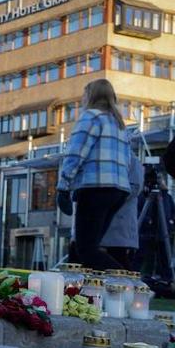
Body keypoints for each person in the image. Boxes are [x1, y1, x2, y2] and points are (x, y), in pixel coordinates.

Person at [55, 79, 134, 271]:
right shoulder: (119, 125)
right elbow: (128, 161)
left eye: (84, 94)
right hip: (118, 190)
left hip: (95, 188)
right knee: (89, 248)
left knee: (86, 250)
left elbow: (75, 153)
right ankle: (91, 287)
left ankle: (130, 282)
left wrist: (63, 186)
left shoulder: (90, 117)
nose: (82, 99)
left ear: (91, 96)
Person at [102, 140, 143, 270]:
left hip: (120, 225)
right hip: (105, 224)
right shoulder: (105, 157)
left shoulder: (131, 159)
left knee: (119, 264)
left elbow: (136, 186)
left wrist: (111, 198)